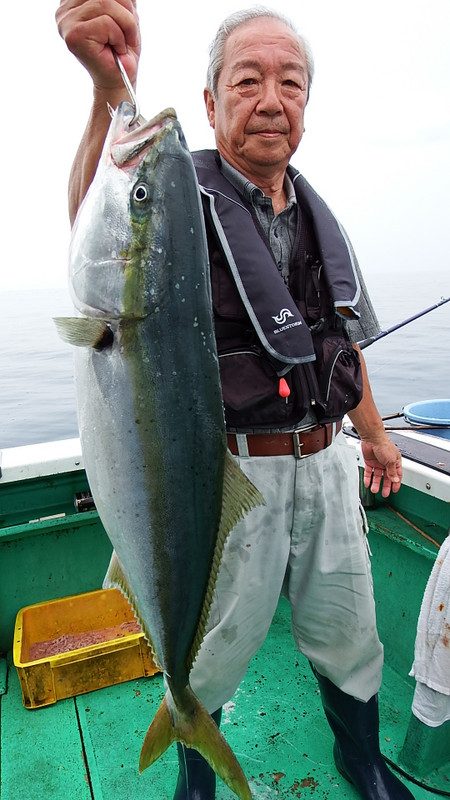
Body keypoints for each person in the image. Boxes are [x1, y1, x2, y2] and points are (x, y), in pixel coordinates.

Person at [56, 3, 413, 799]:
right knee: (214, 647)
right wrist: (104, 88)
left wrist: (379, 440)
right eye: (246, 80)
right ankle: (195, 760)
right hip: (229, 480)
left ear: (306, 110)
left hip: (327, 467)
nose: (271, 98)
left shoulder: (324, 224)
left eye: (290, 82)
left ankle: (360, 757)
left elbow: (340, 349)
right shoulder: (180, 201)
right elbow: (103, 223)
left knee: (351, 637)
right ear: (211, 104)